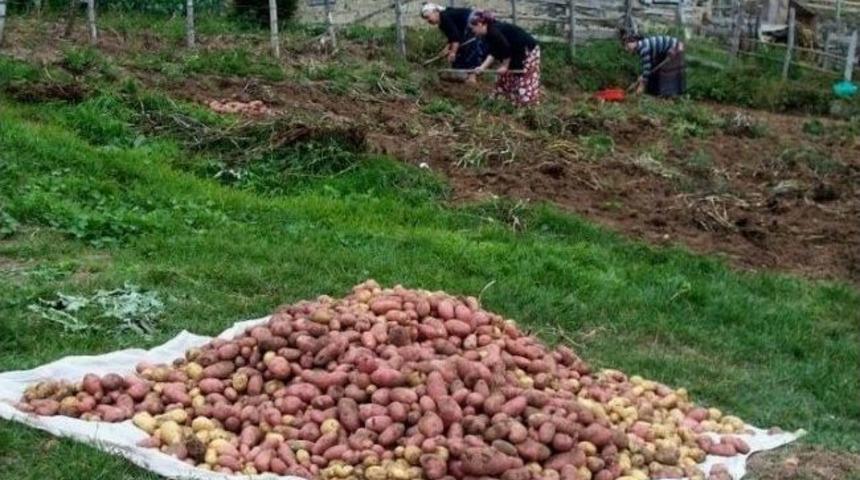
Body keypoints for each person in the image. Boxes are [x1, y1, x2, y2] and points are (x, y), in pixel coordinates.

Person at [469, 10, 541, 106]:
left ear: (480, 24)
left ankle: (526, 103)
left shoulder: (494, 31)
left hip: (527, 49)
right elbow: (493, 51)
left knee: (523, 75)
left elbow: (505, 47)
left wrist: (505, 65)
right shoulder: (488, 32)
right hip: (514, 51)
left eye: (473, 28)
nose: (472, 31)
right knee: (506, 75)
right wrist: (482, 67)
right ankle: (503, 99)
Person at [420, 3, 488, 83]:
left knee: (470, 48)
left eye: (428, 17)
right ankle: (463, 74)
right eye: (425, 19)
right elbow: (452, 37)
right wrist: (446, 49)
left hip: (473, 22)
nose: (428, 21)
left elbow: (455, 38)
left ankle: (472, 76)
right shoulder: (442, 21)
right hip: (466, 26)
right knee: (461, 48)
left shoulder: (444, 17)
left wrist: (453, 53)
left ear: (435, 12)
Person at [623, 33, 686, 97]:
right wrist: (642, 76)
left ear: (634, 42)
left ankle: (671, 95)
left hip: (675, 47)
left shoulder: (643, 49)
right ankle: (664, 94)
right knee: (659, 72)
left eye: (628, 46)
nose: (627, 49)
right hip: (668, 49)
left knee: (669, 72)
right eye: (627, 48)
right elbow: (647, 64)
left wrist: (642, 84)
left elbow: (647, 67)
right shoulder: (640, 46)